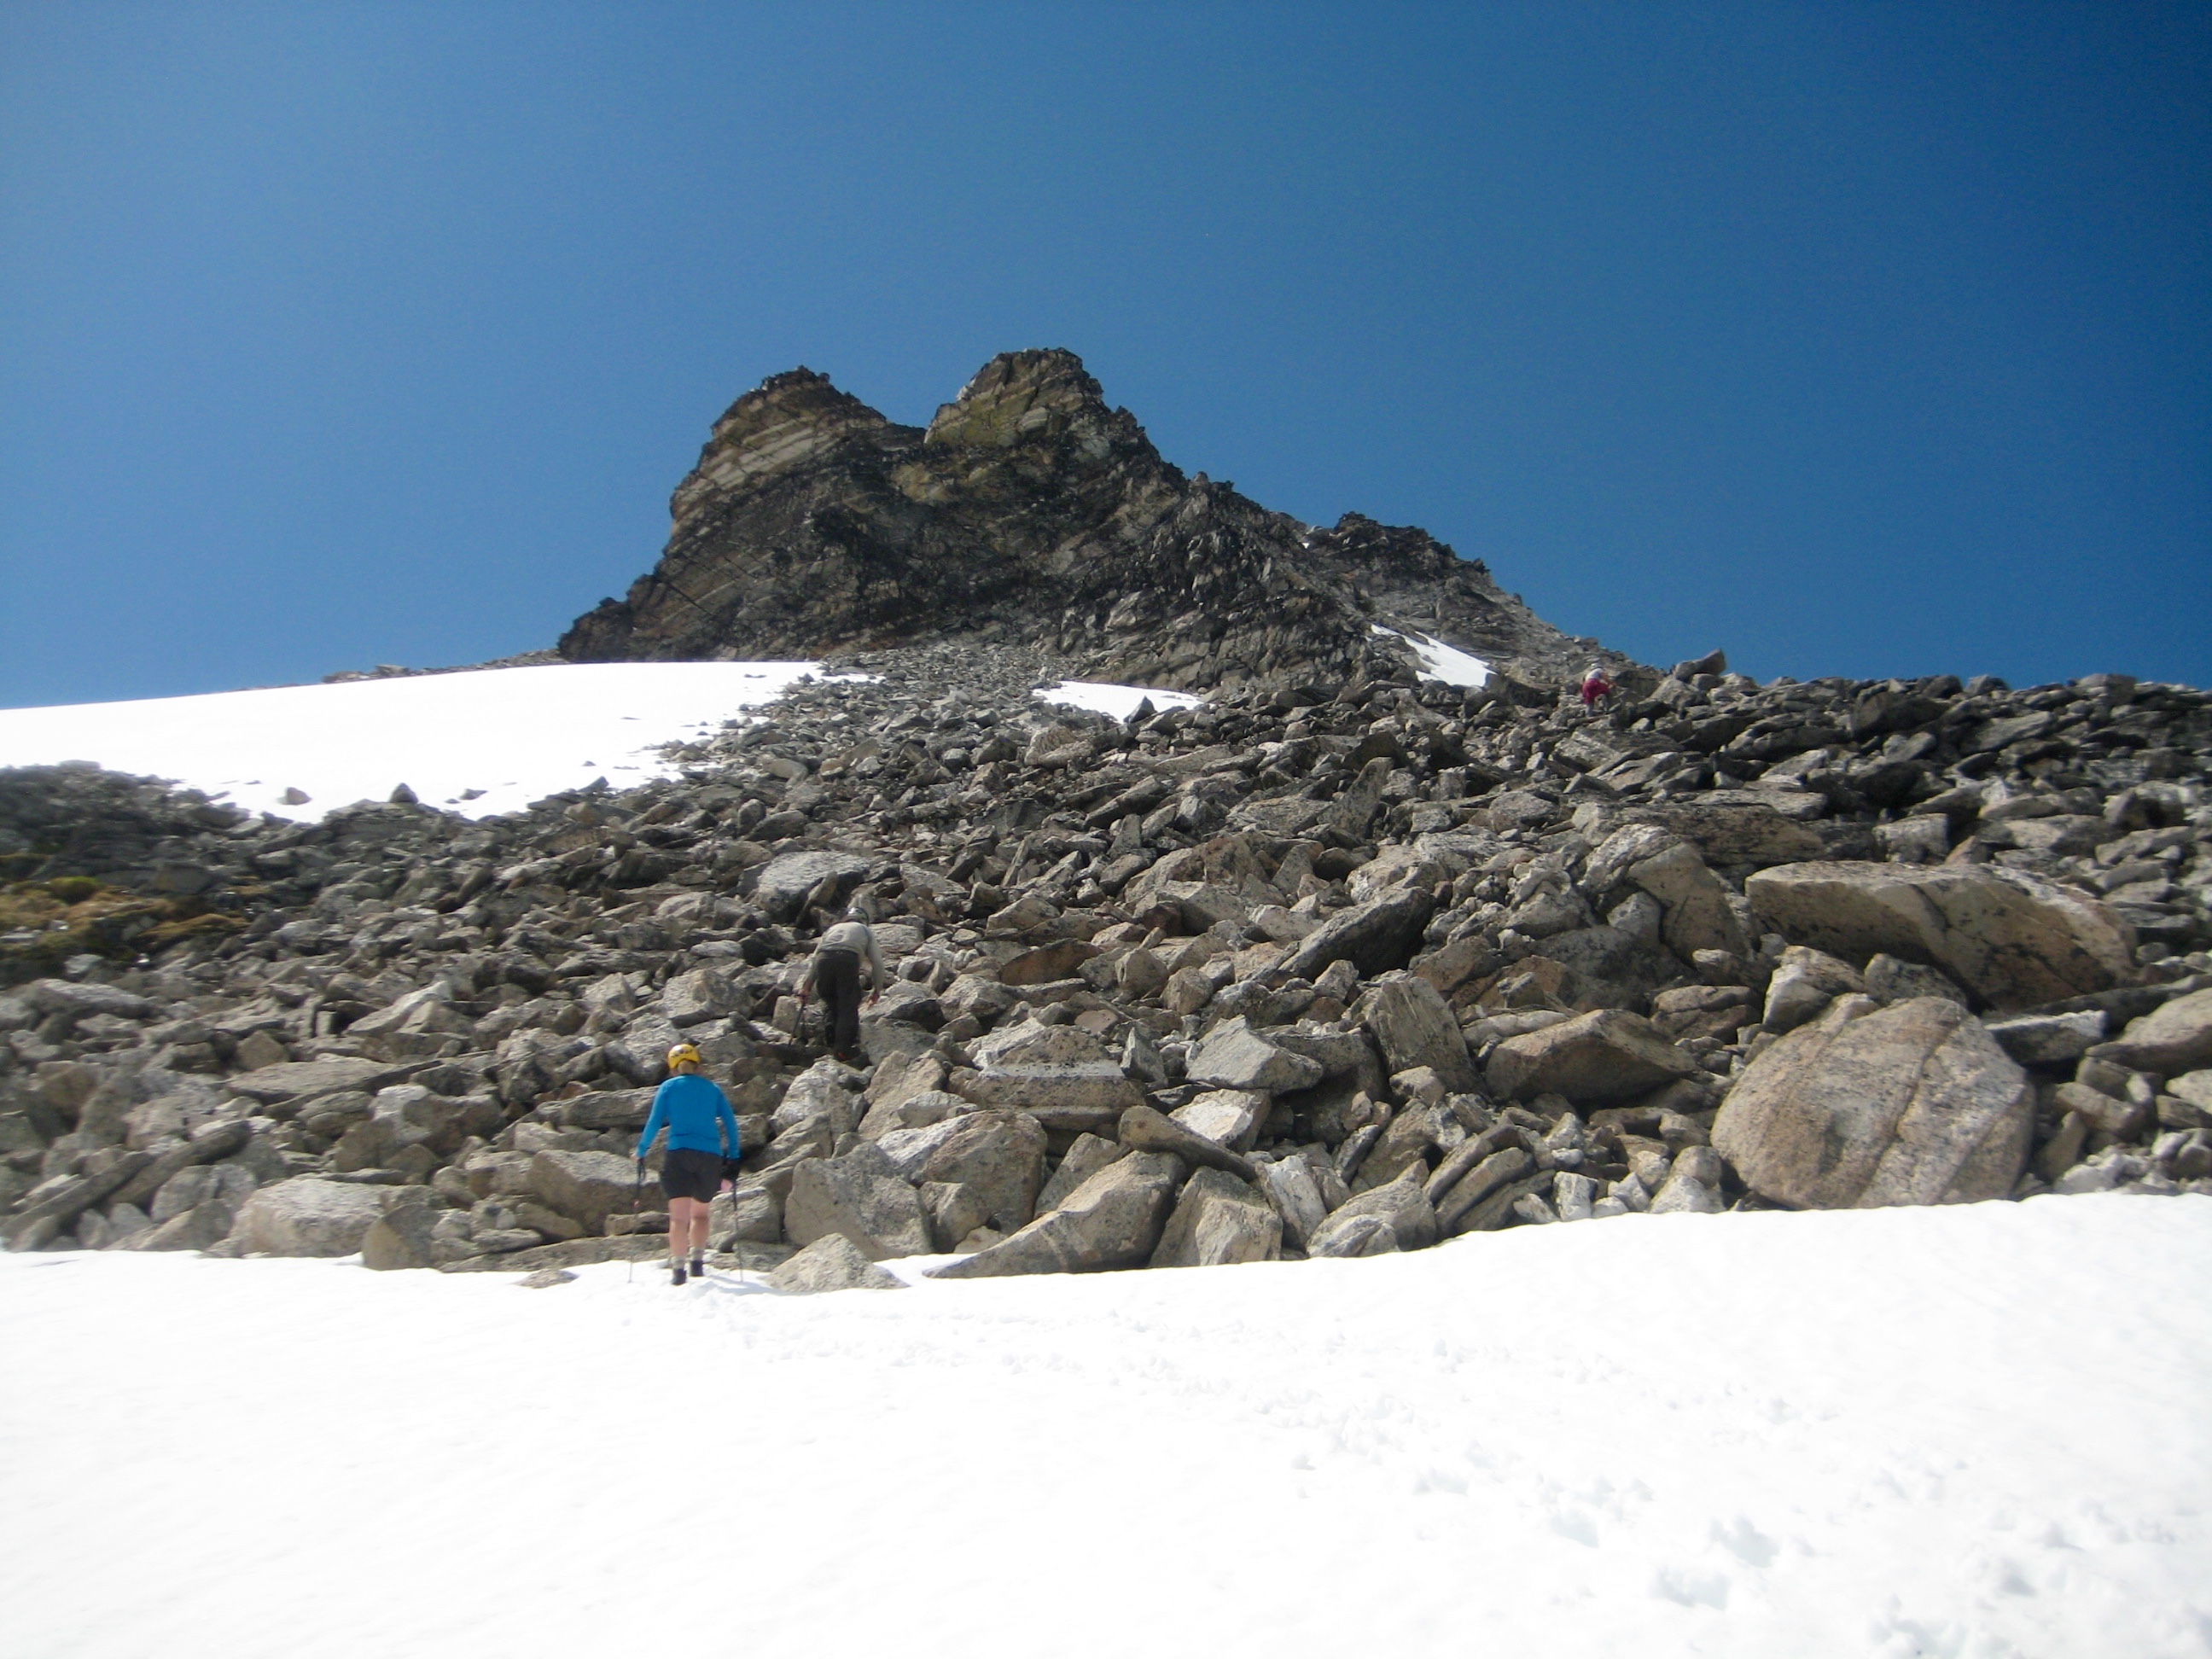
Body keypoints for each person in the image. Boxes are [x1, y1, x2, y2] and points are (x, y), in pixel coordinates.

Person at [635, 1042, 742, 1285]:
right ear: (698, 1065)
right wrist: (734, 1156)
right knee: (701, 1214)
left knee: (678, 1218)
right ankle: (697, 1263)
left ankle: (678, 1270)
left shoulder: (668, 1087)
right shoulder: (713, 1089)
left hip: (679, 1154)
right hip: (710, 1156)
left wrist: (641, 1150)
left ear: (672, 1068)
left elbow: (654, 1123)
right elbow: (731, 1125)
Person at [800, 905, 882, 1063]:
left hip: (824, 961)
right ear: (864, 920)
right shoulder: (864, 930)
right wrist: (877, 989)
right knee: (848, 1005)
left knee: (830, 1000)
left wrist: (806, 987)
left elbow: (816, 958)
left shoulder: (832, 929)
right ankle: (843, 1050)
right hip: (847, 959)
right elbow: (877, 963)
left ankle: (831, 1038)